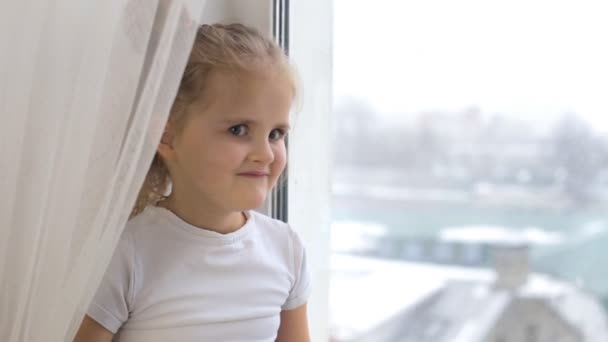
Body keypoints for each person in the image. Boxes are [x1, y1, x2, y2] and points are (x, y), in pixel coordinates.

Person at [74, 23, 311, 342]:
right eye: (239, 130)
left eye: (276, 134)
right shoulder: (127, 254)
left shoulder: (286, 249)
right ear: (167, 136)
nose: (265, 153)